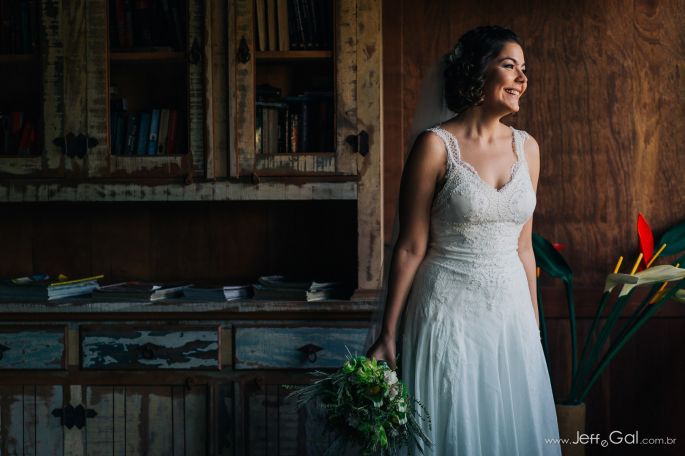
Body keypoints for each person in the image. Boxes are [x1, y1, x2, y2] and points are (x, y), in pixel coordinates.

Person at [366, 26, 562, 455]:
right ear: (478, 72)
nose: (522, 79)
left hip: (510, 317)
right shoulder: (435, 147)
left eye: (524, 69)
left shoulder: (528, 149)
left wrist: (533, 330)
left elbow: (524, 248)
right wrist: (388, 333)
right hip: (445, 313)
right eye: (509, 65)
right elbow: (410, 246)